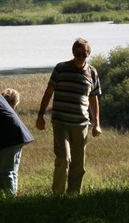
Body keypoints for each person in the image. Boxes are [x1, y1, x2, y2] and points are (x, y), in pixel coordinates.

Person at [36, 38, 102, 194]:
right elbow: (48, 92)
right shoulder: (61, 68)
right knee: (63, 159)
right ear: (73, 53)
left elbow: (93, 98)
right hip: (61, 122)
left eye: (84, 54)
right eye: (78, 53)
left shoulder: (92, 72)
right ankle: (57, 195)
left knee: (79, 164)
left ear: (88, 54)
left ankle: (73, 195)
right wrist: (40, 115)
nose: (80, 56)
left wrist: (97, 123)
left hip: (81, 124)